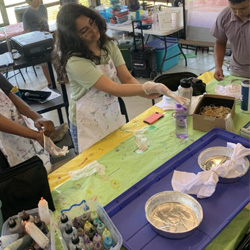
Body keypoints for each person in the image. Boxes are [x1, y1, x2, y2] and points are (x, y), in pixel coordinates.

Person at [55, 3, 188, 154]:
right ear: (73, 37)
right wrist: (149, 87)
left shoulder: (107, 45)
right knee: (93, 166)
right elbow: (114, 88)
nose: (93, 30)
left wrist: (144, 92)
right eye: (84, 31)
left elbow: (126, 78)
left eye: (92, 23)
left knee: (116, 155)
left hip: (110, 112)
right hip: (86, 121)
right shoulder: (75, 61)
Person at [0, 74, 55, 173]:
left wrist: (37, 117)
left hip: (19, 134)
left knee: (37, 171)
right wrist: (34, 135)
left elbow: (9, 94)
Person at [211, 0, 250, 81]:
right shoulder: (225, 16)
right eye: (233, 9)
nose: (238, 13)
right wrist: (218, 67)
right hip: (237, 71)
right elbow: (220, 43)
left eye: (243, 8)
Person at [22, 0, 52, 87]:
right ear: (29, 1)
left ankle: (61, 77)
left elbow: (46, 21)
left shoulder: (43, 7)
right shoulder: (27, 14)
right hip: (37, 41)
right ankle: (49, 82)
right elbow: (26, 30)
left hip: (47, 36)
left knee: (54, 57)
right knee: (44, 62)